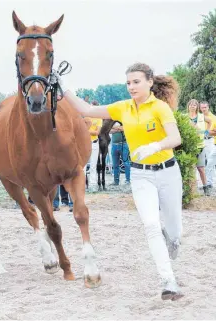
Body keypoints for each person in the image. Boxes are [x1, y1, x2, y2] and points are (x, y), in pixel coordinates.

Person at [51, 62, 184, 301]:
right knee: (151, 226)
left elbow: (175, 137)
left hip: (168, 173)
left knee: (174, 232)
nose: (131, 87)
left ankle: (172, 239)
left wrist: (155, 145)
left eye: (136, 82)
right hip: (141, 175)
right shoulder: (122, 108)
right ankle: (168, 281)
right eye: (128, 83)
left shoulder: (160, 107)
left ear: (150, 82)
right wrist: (63, 85)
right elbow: (85, 109)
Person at [187, 99, 212, 196]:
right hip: (190, 146)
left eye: (195, 105)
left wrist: (206, 132)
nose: (193, 106)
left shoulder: (201, 116)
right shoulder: (184, 117)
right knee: (190, 169)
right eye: (191, 105)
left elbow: (210, 122)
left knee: (201, 168)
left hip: (200, 146)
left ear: (197, 107)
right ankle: (192, 189)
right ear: (188, 106)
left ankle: (206, 188)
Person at [84, 103, 102, 192]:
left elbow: (97, 132)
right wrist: (91, 131)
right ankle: (82, 185)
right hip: (85, 143)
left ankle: (92, 185)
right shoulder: (85, 117)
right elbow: (81, 130)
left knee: (93, 165)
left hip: (94, 143)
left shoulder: (99, 119)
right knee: (83, 165)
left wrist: (86, 130)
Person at [199, 101, 216, 189]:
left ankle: (210, 183)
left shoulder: (213, 117)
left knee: (210, 162)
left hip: (210, 141)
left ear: (208, 107)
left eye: (205, 107)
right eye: (202, 107)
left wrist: (206, 132)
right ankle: (207, 183)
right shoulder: (199, 117)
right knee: (203, 163)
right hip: (200, 141)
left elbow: (215, 132)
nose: (203, 109)